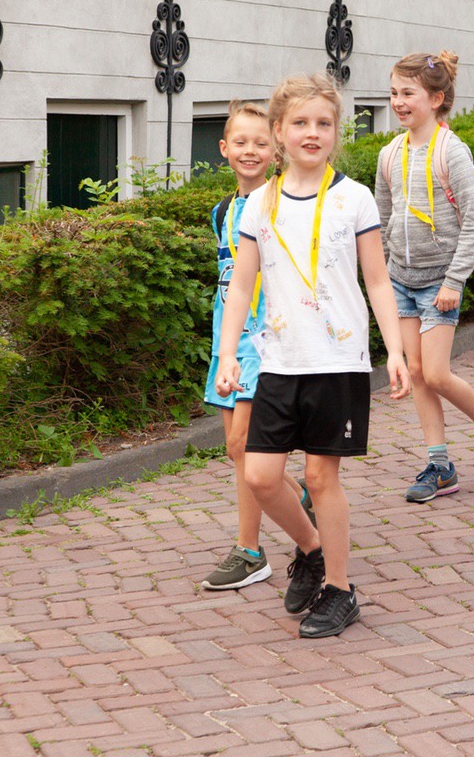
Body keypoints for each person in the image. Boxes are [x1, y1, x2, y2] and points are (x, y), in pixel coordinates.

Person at [216, 73, 411, 637]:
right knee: (260, 475)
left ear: (335, 133)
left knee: (322, 479)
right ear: (278, 131)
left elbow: (377, 281)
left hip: (338, 361)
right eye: (300, 122)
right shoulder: (259, 203)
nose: (312, 132)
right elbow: (242, 286)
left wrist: (395, 351)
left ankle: (341, 591)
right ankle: (311, 548)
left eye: (324, 123)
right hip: (278, 361)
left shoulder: (354, 198)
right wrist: (228, 355)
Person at [375, 50, 474, 504]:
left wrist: (455, 281)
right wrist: (383, 273)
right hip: (401, 279)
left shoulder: (452, 152)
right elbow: (382, 218)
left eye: (408, 93)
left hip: (439, 281)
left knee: (435, 373)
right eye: (394, 93)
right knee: (417, 372)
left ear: (436, 99)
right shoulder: (388, 154)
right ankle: (439, 466)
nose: (398, 102)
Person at [200, 100, 308, 592]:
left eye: (260, 143)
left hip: (265, 344)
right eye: (240, 142)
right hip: (228, 343)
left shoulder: (280, 204)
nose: (250, 150)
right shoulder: (222, 211)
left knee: (245, 446)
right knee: (235, 449)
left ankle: (249, 551)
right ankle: (297, 497)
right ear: (224, 148)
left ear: (275, 150)